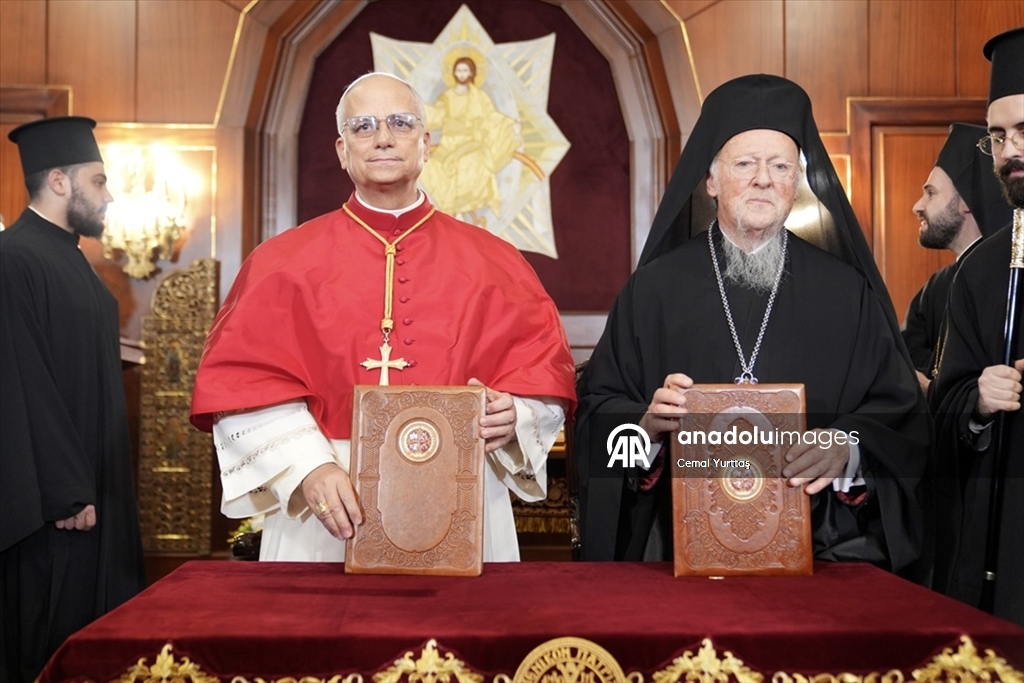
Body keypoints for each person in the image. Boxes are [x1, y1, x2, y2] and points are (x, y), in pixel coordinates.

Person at [190, 73, 576, 563]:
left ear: (426, 143)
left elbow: (541, 375)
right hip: (328, 494)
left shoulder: (496, 262)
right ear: (341, 149)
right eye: (363, 126)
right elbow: (243, 380)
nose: (383, 137)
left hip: (459, 487)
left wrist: (516, 415)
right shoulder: (279, 263)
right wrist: (310, 469)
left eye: (400, 122)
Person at [575, 75, 931, 582]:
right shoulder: (653, 290)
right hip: (677, 559)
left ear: (796, 183)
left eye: (781, 166)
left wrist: (846, 446)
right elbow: (600, 417)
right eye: (745, 164)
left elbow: (901, 419)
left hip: (823, 554)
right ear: (712, 181)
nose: (764, 179)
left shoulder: (846, 293)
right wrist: (646, 430)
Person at [0, 117, 145, 682]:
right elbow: (21, 381)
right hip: (56, 510)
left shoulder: (69, 257)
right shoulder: (14, 259)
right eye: (99, 180)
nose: (109, 195)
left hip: (92, 493)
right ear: (59, 181)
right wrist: (65, 491)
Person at [930, 26, 1024, 626]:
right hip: (1005, 546)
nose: (1011, 150)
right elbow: (945, 405)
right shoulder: (984, 267)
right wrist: (976, 402)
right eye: (999, 135)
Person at [902, 123, 1011, 394]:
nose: (918, 205)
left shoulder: (1004, 277)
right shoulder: (936, 286)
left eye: (931, 193)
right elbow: (904, 352)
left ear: (966, 202)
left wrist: (940, 389)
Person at [418, 55, 520, 223]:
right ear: (453, 72)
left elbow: (492, 117)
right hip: (449, 144)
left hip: (473, 145)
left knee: (470, 163)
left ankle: (460, 215)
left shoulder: (479, 96)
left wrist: (511, 125)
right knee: (430, 167)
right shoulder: (448, 96)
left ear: (471, 73)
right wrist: (417, 111)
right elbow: (437, 116)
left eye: (465, 70)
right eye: (459, 70)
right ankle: (453, 215)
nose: (462, 74)